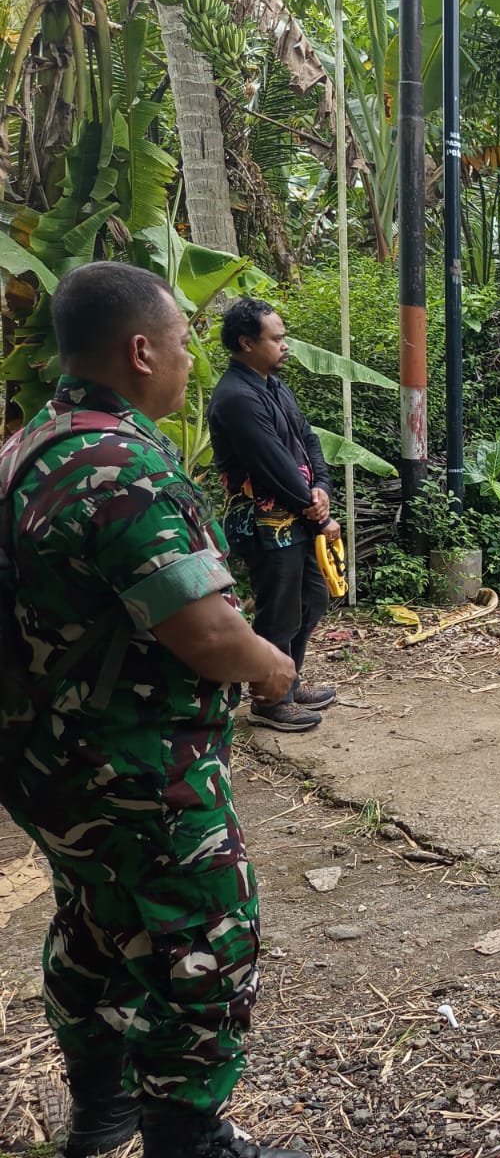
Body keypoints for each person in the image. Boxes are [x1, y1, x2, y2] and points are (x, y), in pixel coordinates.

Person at [0, 262, 303, 1158]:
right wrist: (272, 666)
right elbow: (204, 632)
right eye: (179, 343)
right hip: (132, 763)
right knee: (212, 929)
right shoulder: (120, 466)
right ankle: (187, 1133)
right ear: (139, 351)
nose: (187, 361)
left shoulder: (31, 445)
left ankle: (104, 1107)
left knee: (97, 923)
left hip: (45, 756)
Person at [207, 299, 340, 733]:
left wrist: (323, 487)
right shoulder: (235, 397)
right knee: (278, 610)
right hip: (263, 524)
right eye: (276, 338)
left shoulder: (274, 386)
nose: (285, 345)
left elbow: (307, 440)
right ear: (247, 342)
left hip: (297, 515)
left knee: (311, 598)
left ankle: (288, 680)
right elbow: (273, 464)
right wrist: (317, 513)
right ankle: (269, 699)